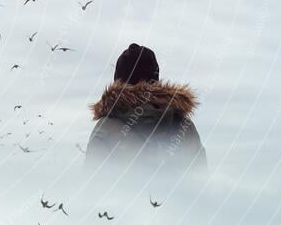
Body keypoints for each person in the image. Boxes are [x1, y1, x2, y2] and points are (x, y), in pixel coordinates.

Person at [85, 43, 206, 174]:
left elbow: (93, 187)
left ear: (118, 81)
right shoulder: (185, 128)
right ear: (156, 79)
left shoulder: (105, 129)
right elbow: (202, 184)